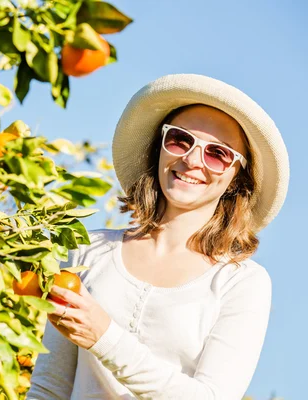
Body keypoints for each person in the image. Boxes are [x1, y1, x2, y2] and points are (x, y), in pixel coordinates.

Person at [26, 73, 290, 400]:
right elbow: (49, 388)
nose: (192, 160)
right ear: (159, 149)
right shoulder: (88, 251)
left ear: (236, 178)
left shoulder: (241, 283)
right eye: (180, 139)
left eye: (217, 154)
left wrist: (105, 338)